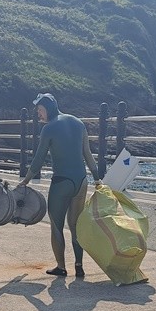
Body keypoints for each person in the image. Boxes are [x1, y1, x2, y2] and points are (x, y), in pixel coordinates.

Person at [18, 93, 99, 278]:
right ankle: (79, 266)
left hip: (61, 182)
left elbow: (38, 161)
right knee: (76, 225)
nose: (38, 115)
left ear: (48, 108)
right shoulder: (78, 123)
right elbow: (88, 154)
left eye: (40, 110)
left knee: (56, 226)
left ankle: (61, 267)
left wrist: (25, 181)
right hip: (81, 182)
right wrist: (97, 179)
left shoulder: (49, 128)